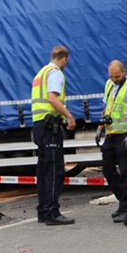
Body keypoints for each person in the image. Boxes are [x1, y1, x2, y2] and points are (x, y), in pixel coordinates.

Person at [31, 45, 77, 225]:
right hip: (51, 126)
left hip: (40, 125)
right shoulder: (56, 73)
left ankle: (43, 211)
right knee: (55, 170)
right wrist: (69, 116)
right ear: (64, 58)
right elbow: (52, 98)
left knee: (43, 171)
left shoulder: (41, 72)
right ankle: (52, 212)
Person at [95, 60, 127, 223]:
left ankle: (125, 208)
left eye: (117, 76)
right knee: (107, 169)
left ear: (125, 71)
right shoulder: (109, 84)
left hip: (125, 135)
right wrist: (100, 127)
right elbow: (107, 107)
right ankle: (125, 202)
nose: (114, 79)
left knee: (126, 172)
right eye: (112, 76)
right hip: (111, 134)